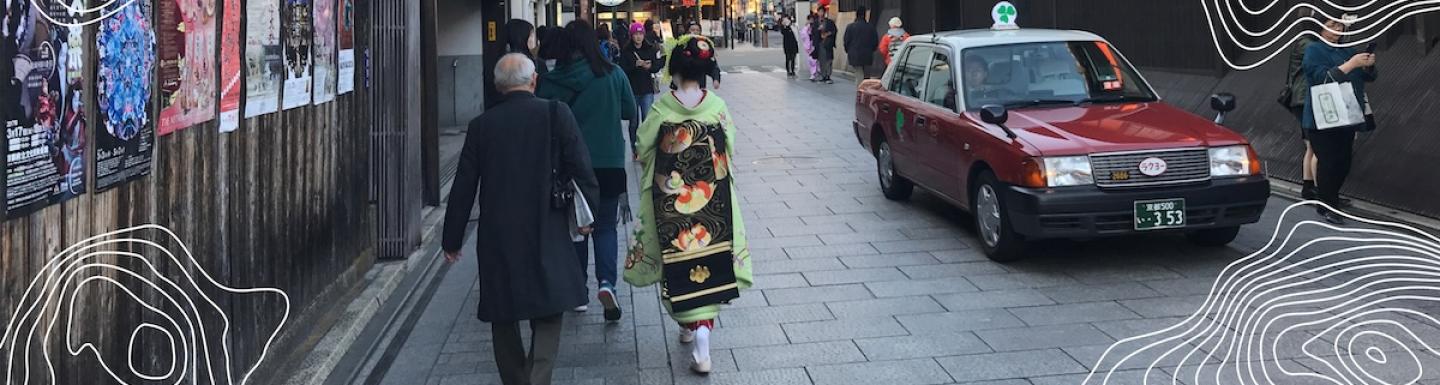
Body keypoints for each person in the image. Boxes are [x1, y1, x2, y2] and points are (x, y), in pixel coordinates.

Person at [442, 53, 597, 385]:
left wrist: (452, 240)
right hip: (548, 222)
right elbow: (582, 167)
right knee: (550, 304)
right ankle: (537, 377)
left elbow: (464, 186)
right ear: (534, 81)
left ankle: (515, 379)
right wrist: (588, 217)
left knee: (504, 309)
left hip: (499, 230)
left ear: (498, 87)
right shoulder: (556, 113)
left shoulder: (482, 126)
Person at [625, 34, 753, 376]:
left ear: (675, 69)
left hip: (671, 201)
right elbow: (731, 146)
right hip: (713, 200)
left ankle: (692, 332)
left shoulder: (662, 107)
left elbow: (643, 145)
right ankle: (701, 338)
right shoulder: (717, 107)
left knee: (676, 260)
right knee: (711, 259)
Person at [537, 20, 638, 320]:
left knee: (576, 229)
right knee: (606, 228)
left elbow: (543, 120)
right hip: (609, 165)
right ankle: (607, 284)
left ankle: (578, 292)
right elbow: (629, 112)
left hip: (570, 168)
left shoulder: (555, 80)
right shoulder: (614, 73)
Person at [1300, 15, 1377, 225]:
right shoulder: (1314, 49)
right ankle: (1326, 204)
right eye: (1331, 26)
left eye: (1339, 26)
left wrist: (1368, 65)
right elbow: (1319, 78)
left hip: (1348, 112)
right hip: (1323, 114)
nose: (1336, 30)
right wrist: (1350, 65)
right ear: (1320, 29)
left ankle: (1330, 198)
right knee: (1329, 161)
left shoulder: (1348, 49)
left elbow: (1367, 77)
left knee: (1344, 162)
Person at [1284, 9, 1319, 201]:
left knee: (1311, 145)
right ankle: (1316, 189)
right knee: (1315, 144)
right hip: (1304, 97)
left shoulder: (1302, 40)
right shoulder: (1307, 43)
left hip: (1301, 98)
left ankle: (1309, 186)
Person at [621, 22, 664, 156]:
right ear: (631, 36)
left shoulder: (650, 48)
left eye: (640, 34)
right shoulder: (626, 51)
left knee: (647, 121)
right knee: (633, 123)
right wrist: (635, 65)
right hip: (632, 90)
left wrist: (650, 66)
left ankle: (646, 148)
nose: (638, 37)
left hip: (647, 89)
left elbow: (657, 66)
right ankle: (635, 149)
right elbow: (622, 69)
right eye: (636, 34)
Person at [843, 6, 879, 78]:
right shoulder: (871, 27)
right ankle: (866, 88)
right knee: (866, 75)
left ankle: (860, 88)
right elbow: (875, 41)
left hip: (854, 54)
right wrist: (872, 50)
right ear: (865, 15)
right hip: (867, 54)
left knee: (859, 74)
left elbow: (846, 41)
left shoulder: (850, 27)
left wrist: (848, 50)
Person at [815, 7, 839, 84]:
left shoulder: (830, 22)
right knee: (821, 60)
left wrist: (828, 34)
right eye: (819, 12)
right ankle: (823, 75)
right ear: (818, 12)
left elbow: (834, 30)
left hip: (828, 43)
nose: (821, 13)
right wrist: (818, 30)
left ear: (824, 13)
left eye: (822, 11)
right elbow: (813, 33)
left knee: (829, 60)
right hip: (820, 43)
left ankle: (828, 75)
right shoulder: (815, 23)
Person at [800, 13, 818, 81]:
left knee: (813, 59)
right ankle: (813, 73)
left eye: (812, 19)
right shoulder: (806, 27)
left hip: (814, 44)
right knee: (811, 60)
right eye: (810, 19)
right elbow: (803, 36)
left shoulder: (815, 26)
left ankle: (814, 72)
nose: (811, 21)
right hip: (809, 45)